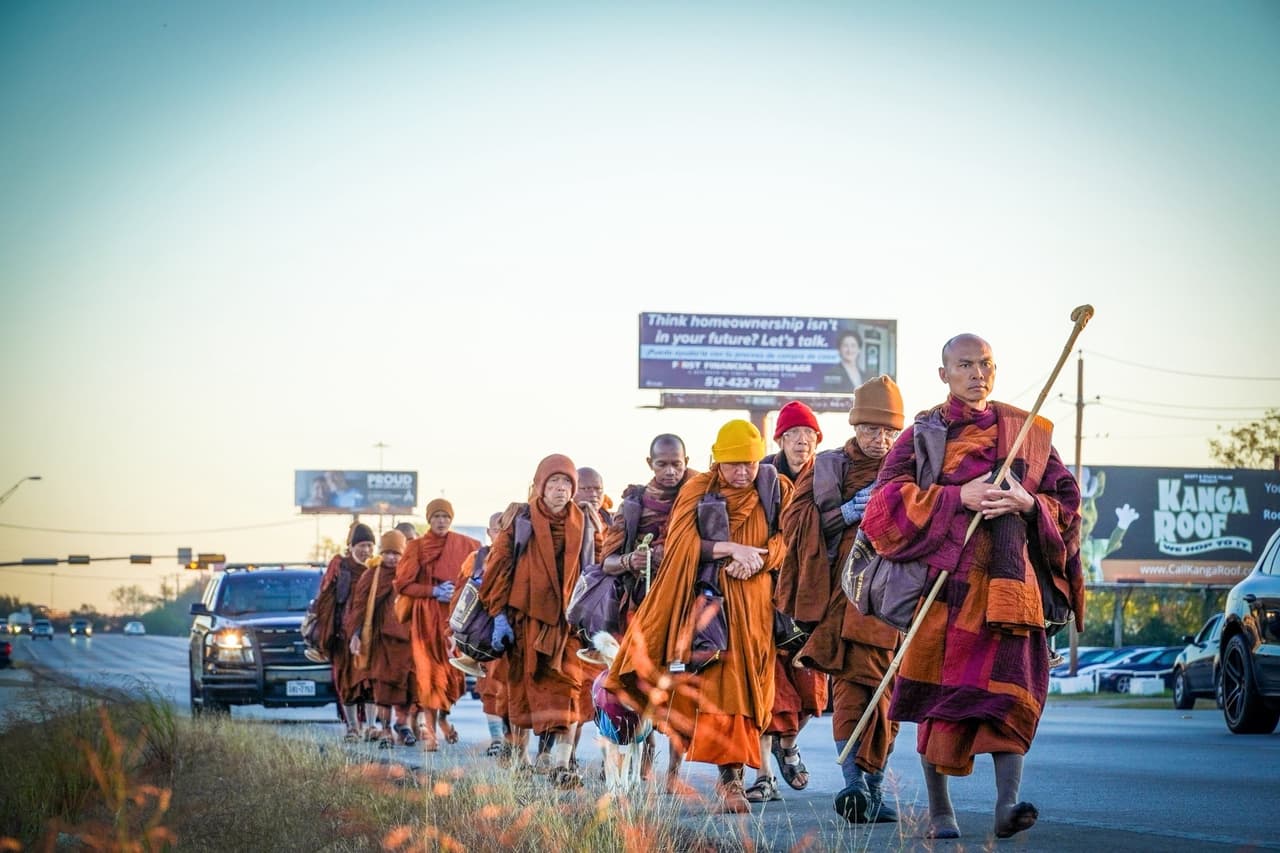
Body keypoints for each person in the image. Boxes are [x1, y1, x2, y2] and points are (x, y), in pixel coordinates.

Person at [860, 334, 1085, 840]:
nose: (977, 374)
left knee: (1011, 696)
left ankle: (1007, 806)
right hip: (944, 588)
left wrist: (1028, 504)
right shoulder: (924, 433)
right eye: (965, 365)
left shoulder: (1028, 430)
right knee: (937, 701)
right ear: (944, 374)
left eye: (985, 364)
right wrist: (956, 495)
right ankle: (941, 813)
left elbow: (1067, 502)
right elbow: (883, 507)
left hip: (1011, 587)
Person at [605, 420, 794, 813]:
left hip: (757, 608)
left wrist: (757, 557)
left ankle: (738, 776)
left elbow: (787, 539)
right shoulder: (698, 489)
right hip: (714, 610)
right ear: (715, 462)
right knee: (724, 694)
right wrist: (729, 549)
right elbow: (681, 545)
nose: (742, 473)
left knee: (756, 692)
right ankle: (732, 781)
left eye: (749, 464)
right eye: (733, 465)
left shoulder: (775, 488)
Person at [786, 375, 907, 823]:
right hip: (848, 596)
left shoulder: (912, 468)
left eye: (889, 431)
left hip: (899, 600)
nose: (881, 440)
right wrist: (851, 510)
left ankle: (872, 791)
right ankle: (853, 783)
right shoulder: (828, 468)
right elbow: (797, 527)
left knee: (890, 697)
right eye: (871, 429)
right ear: (855, 427)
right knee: (854, 689)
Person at [478, 454, 599, 789]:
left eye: (567, 483)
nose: (561, 489)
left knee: (569, 690)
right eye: (554, 482)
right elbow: (498, 568)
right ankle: (521, 758)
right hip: (525, 622)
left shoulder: (586, 521)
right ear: (540, 485)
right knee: (524, 691)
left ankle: (562, 764)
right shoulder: (521, 518)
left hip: (568, 625)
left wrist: (597, 617)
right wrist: (499, 616)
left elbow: (598, 568)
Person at [597, 433, 696, 788]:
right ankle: (646, 757)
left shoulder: (699, 495)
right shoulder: (634, 505)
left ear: (687, 461)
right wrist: (631, 560)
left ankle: (674, 771)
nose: (670, 472)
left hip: (687, 609)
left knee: (682, 690)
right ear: (649, 464)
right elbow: (606, 562)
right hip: (640, 609)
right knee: (640, 688)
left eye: (677, 464)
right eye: (662, 464)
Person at [748, 401, 828, 803]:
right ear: (779, 439)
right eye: (793, 434)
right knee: (769, 686)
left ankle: (789, 743)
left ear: (817, 439)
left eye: (808, 434)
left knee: (813, 687)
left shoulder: (828, 474)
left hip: (814, 592)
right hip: (766, 592)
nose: (801, 441)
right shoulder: (760, 477)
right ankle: (764, 774)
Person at [394, 498, 481, 751]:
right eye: (436, 517)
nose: (441, 521)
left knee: (454, 676)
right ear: (429, 519)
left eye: (446, 517)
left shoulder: (467, 545)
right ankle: (431, 733)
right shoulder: (417, 547)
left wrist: (458, 591)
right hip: (426, 618)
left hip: (456, 618)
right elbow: (402, 584)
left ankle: (443, 720)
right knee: (428, 674)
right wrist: (432, 590)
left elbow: (478, 578)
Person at [345, 529, 417, 747]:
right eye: (387, 553)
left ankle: (402, 725)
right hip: (381, 641)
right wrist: (355, 635)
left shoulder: (410, 574)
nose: (392, 558)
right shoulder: (372, 575)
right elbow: (358, 608)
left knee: (408, 687)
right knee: (383, 689)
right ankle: (385, 730)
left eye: (396, 553)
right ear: (381, 553)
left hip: (407, 641)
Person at [453, 511, 512, 759]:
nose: (501, 534)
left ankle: (511, 740)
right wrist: (454, 630)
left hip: (513, 632)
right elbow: (461, 594)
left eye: (505, 528)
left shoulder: (518, 556)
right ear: (489, 533)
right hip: (483, 634)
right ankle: (497, 738)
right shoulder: (476, 558)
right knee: (490, 688)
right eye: (496, 530)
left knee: (513, 688)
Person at [318, 522, 375, 740]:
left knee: (370, 683)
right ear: (350, 546)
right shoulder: (341, 567)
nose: (366, 550)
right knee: (347, 682)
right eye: (361, 545)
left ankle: (370, 727)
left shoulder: (376, 570)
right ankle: (352, 727)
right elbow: (326, 598)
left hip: (370, 637)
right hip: (343, 635)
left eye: (370, 545)